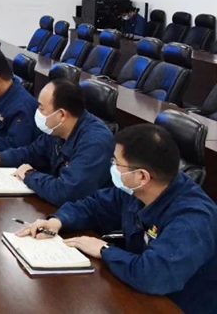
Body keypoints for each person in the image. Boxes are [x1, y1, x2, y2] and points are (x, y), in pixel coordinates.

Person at [17, 124, 217, 314]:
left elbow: (154, 275)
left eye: (116, 162)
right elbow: (95, 206)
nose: (111, 167)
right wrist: (57, 221)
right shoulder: (138, 190)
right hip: (137, 292)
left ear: (142, 176)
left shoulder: (193, 218)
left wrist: (104, 250)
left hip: (176, 305)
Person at [0, 80, 114, 206]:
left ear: (61, 115)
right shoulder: (57, 129)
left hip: (88, 219)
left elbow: (66, 192)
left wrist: (29, 175)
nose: (37, 112)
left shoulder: (95, 143)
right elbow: (32, 152)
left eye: (41, 108)